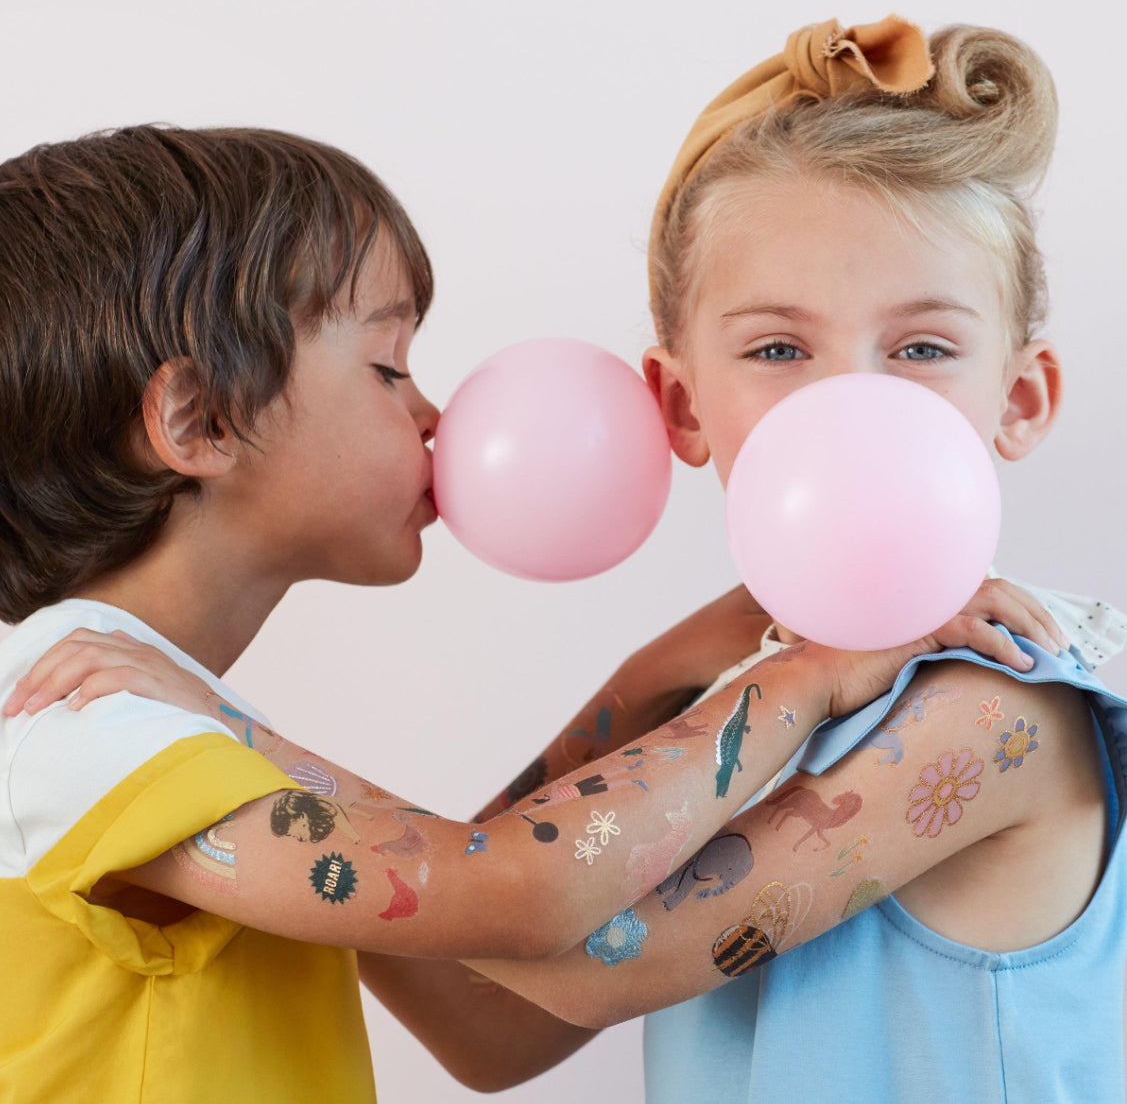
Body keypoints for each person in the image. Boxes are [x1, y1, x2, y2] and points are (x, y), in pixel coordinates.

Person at [0, 122, 1063, 1102]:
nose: (432, 414)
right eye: (386, 367)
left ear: (1019, 393)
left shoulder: (1002, 685)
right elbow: (522, 899)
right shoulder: (89, 718)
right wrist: (798, 675)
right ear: (198, 417)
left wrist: (674, 666)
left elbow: (487, 1015)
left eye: (921, 346)